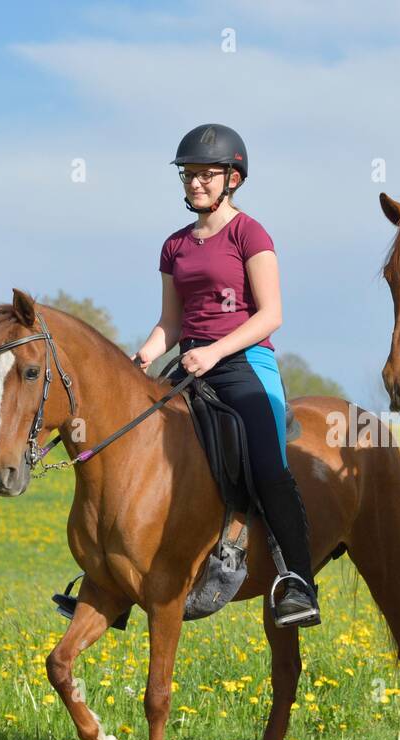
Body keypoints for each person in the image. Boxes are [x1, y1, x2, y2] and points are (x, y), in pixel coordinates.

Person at [132, 123, 321, 627]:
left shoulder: (249, 233)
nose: (195, 183)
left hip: (243, 362)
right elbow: (171, 322)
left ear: (233, 178)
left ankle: (298, 582)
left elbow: (271, 313)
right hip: (190, 364)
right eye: (189, 175)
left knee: (267, 467)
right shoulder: (175, 245)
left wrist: (215, 352)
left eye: (206, 175)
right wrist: (144, 357)